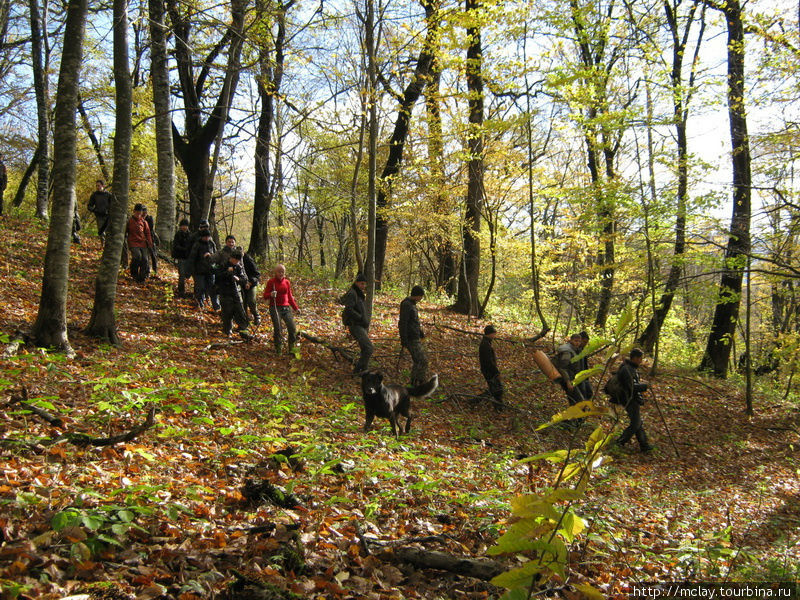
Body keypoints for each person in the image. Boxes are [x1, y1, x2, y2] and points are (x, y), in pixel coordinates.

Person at [614, 348, 652, 453]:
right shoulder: (627, 369)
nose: (641, 361)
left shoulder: (631, 368)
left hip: (631, 398)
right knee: (636, 423)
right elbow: (630, 387)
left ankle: (644, 445)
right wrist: (645, 386)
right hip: (628, 399)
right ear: (635, 358)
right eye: (640, 358)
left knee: (637, 422)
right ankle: (620, 441)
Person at [215, 248, 253, 340]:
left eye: (238, 260)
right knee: (227, 314)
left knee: (240, 313)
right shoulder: (223, 265)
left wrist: (238, 279)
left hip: (236, 293)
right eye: (235, 260)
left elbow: (244, 280)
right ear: (231, 258)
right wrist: (228, 272)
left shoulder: (239, 267)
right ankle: (227, 332)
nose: (236, 262)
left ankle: (244, 332)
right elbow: (217, 277)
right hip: (225, 293)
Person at [263, 264, 299, 353]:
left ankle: (292, 348)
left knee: (292, 327)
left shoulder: (287, 282)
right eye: (279, 271)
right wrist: (271, 294)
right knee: (278, 328)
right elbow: (265, 295)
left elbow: (290, 296)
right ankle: (278, 348)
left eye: (282, 272)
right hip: (275, 307)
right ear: (275, 272)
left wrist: (295, 308)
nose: (281, 273)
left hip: (286, 307)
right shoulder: (271, 282)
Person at [341, 274, 372, 373]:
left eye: (365, 284)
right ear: (356, 283)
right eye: (361, 284)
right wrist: (360, 318)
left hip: (360, 325)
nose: (363, 286)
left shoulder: (358, 294)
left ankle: (364, 371)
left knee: (365, 348)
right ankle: (358, 370)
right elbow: (349, 309)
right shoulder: (353, 293)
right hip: (355, 325)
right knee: (368, 348)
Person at [399, 285, 428, 385]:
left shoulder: (412, 304)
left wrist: (420, 332)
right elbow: (403, 322)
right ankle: (419, 381)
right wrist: (404, 339)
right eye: (421, 296)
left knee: (418, 361)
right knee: (422, 360)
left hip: (415, 336)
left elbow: (414, 321)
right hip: (410, 338)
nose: (421, 298)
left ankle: (414, 382)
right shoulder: (407, 305)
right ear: (417, 295)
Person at [189, 228, 220, 310]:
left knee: (213, 289)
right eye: (205, 237)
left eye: (208, 237)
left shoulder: (212, 244)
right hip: (199, 270)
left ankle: (216, 307)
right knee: (200, 288)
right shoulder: (197, 244)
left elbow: (216, 255)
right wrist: (192, 270)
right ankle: (200, 304)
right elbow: (192, 258)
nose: (207, 238)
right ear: (202, 237)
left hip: (210, 270)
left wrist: (211, 256)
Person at [554, 333, 585, 406]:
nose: (577, 343)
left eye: (579, 341)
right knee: (578, 400)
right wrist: (568, 381)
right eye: (575, 341)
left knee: (574, 400)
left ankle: (573, 416)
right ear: (571, 340)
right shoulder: (567, 351)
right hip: (567, 378)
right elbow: (563, 368)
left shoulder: (575, 349)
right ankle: (574, 416)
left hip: (572, 377)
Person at [125, 203, 154, 283]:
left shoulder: (144, 222)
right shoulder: (129, 221)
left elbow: (148, 233)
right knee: (137, 256)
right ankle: (134, 274)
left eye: (140, 212)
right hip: (133, 242)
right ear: (134, 211)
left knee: (145, 259)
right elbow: (125, 232)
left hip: (143, 243)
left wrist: (150, 243)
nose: (138, 214)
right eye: (137, 212)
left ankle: (142, 277)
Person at [479, 325, 505, 411]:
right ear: (489, 334)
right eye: (494, 334)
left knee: (494, 389)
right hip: (489, 371)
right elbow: (489, 361)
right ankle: (498, 408)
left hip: (489, 370)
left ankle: (498, 407)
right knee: (497, 389)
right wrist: (496, 372)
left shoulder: (487, 342)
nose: (495, 336)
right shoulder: (485, 345)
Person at [172, 218, 193, 297]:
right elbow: (175, 246)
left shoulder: (190, 235)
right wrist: (183, 249)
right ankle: (181, 291)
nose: (184, 227)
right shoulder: (178, 234)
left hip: (188, 258)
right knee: (182, 275)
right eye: (183, 226)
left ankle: (189, 291)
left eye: (186, 226)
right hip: (180, 257)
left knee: (188, 275)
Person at [242, 251, 261, 325]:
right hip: (241, 284)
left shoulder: (249, 260)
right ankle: (245, 319)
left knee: (251, 301)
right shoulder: (234, 260)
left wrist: (250, 283)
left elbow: (257, 275)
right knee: (243, 303)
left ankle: (257, 316)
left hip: (252, 283)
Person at [140, 206, 158, 274]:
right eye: (143, 212)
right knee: (145, 256)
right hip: (142, 239)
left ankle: (155, 269)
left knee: (153, 254)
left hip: (150, 238)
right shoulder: (140, 219)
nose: (144, 214)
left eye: (145, 212)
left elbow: (150, 228)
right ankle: (146, 270)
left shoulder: (149, 218)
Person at [576, 330, 593, 400]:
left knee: (589, 393)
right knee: (580, 397)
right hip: (577, 378)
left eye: (586, 342)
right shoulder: (573, 350)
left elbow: (585, 365)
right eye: (584, 342)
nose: (585, 344)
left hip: (584, 377)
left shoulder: (583, 351)